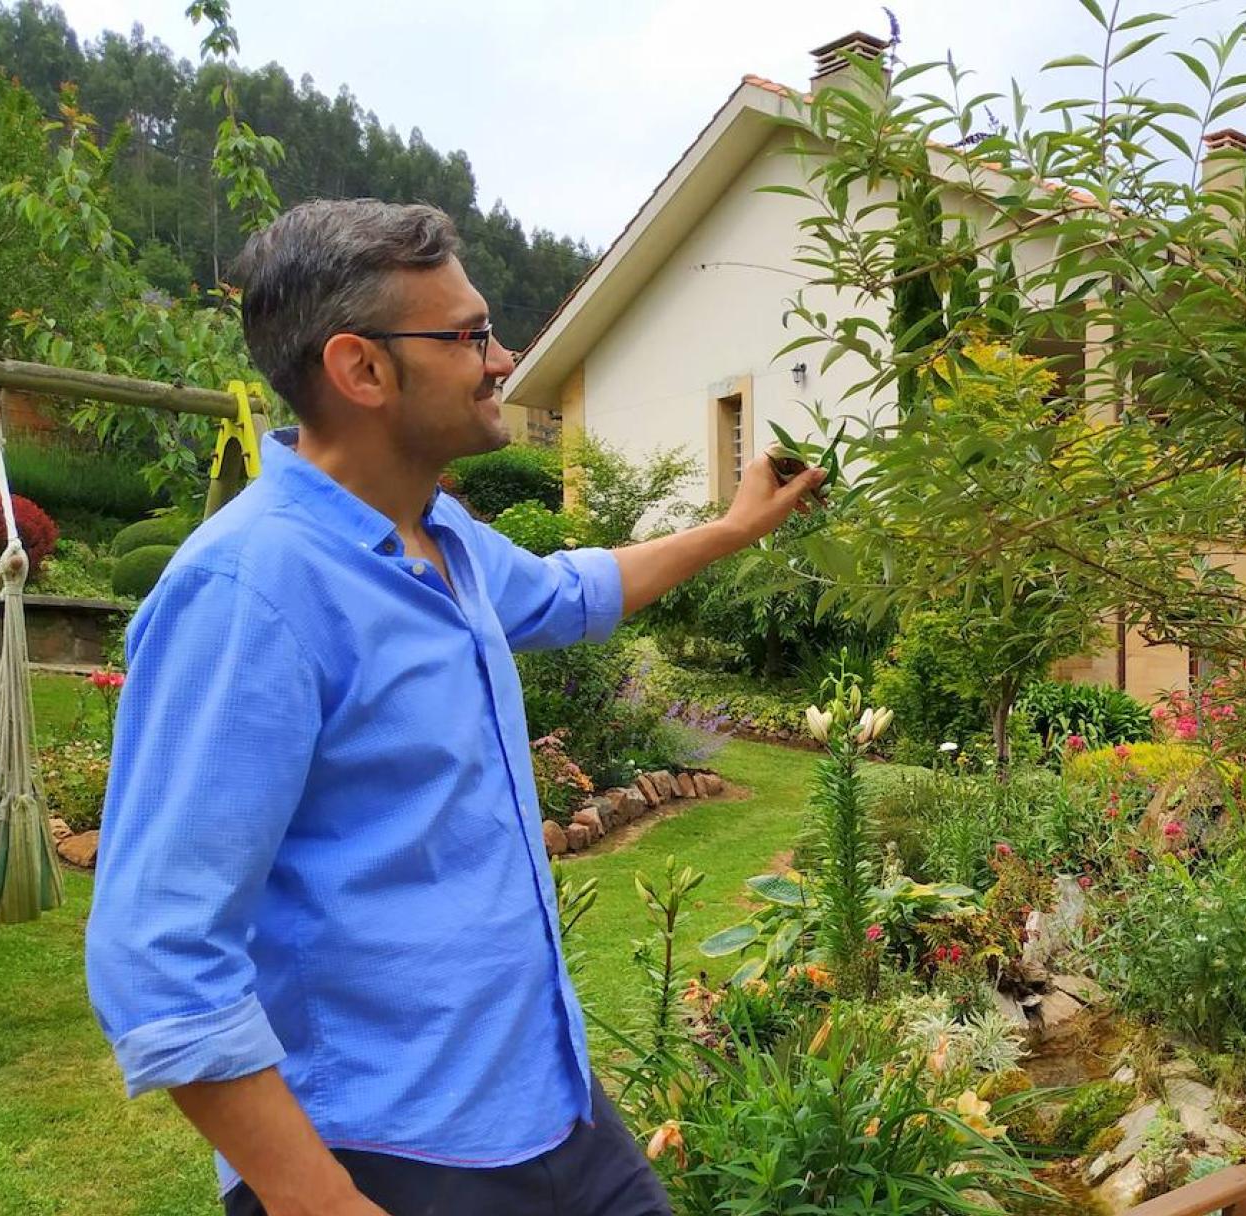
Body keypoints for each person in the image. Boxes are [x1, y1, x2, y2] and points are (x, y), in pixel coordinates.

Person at [83, 199, 825, 1216]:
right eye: (471, 335)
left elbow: (573, 591)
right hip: (384, 1151)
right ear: (362, 369)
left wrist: (733, 529)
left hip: (544, 1103)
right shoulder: (248, 592)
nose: (504, 357)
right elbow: (159, 957)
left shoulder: (446, 540)